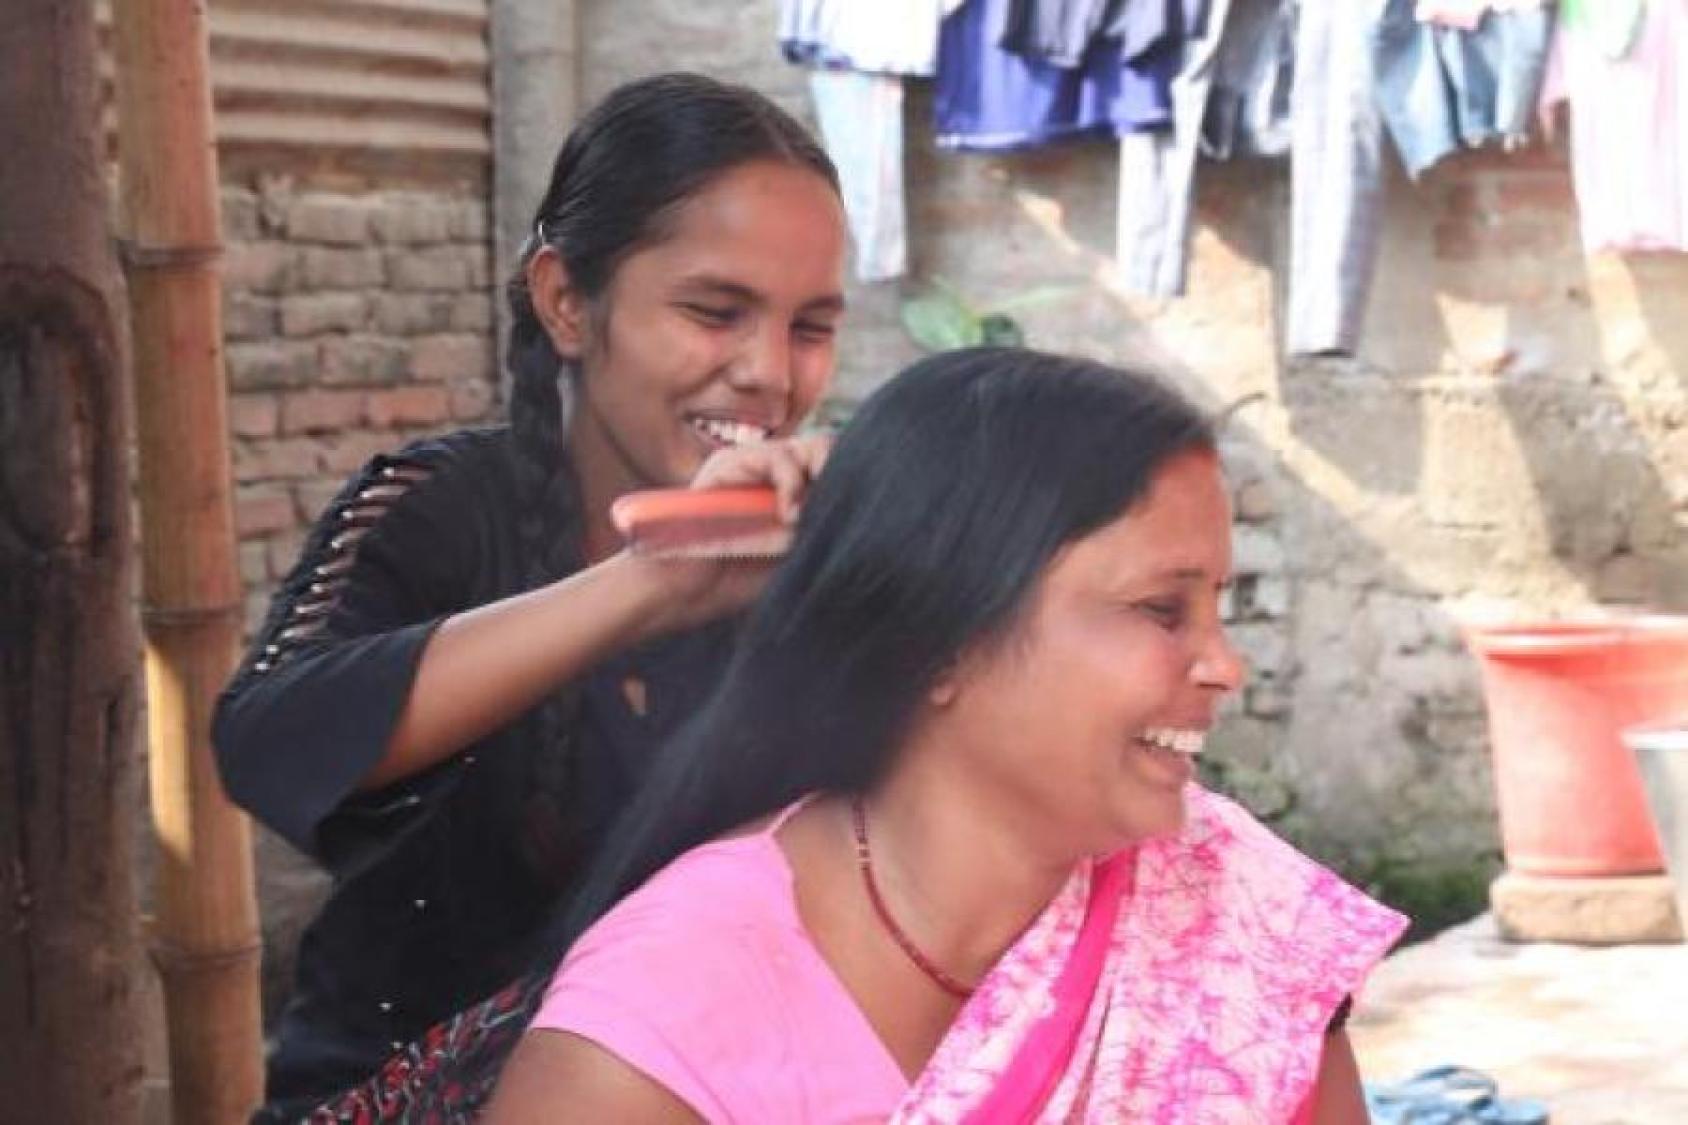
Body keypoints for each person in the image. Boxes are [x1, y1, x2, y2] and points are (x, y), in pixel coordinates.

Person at [482, 347, 1409, 1123]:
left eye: (1219, 607)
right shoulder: (657, 1027)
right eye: (1162, 609)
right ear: (939, 644)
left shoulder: (1228, 919)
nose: (1224, 665)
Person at [212, 72, 848, 1121]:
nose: (767, 373)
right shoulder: (442, 507)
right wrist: (648, 584)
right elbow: (268, 739)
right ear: (565, 301)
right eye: (713, 311)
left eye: (810, 326)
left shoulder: (803, 556)